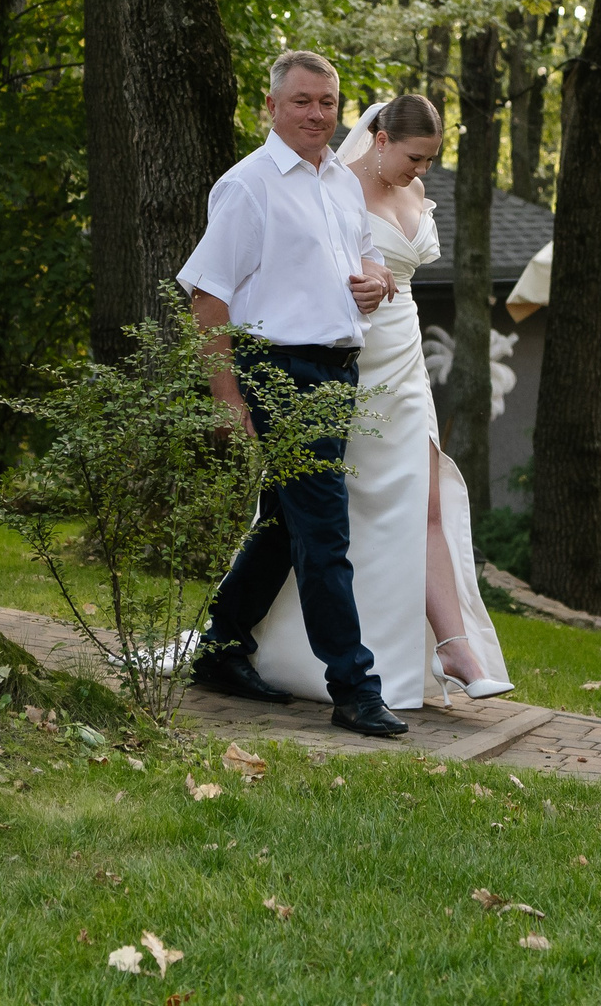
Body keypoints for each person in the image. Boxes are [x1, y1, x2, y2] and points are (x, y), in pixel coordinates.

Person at [242, 93, 513, 709]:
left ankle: (455, 647)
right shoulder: (331, 186)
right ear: (381, 138)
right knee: (349, 510)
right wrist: (353, 283)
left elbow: (406, 270)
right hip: (349, 359)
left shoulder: (416, 192)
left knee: (429, 498)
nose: (421, 171)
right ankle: (303, 648)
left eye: (429, 161)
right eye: (415, 158)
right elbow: (297, 268)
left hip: (406, 358)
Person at [180, 51, 410, 739]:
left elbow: (366, 253)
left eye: (329, 103)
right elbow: (207, 295)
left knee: (285, 523)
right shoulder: (246, 186)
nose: (317, 114)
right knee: (323, 530)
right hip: (278, 372)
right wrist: (228, 398)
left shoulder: (340, 180)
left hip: (339, 372)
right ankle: (354, 686)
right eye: (303, 101)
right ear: (272, 107)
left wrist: (377, 279)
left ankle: (222, 648)